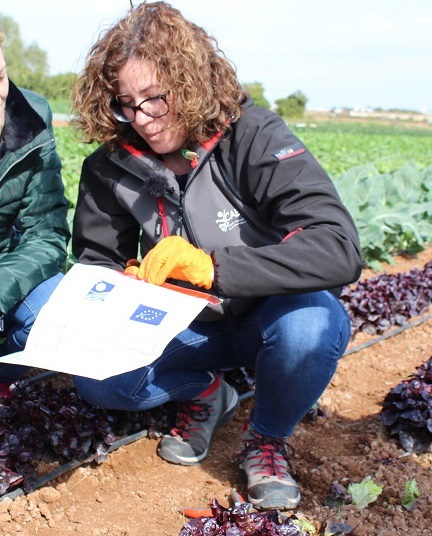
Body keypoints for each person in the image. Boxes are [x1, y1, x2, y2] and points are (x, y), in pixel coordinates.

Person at [70, 1, 362, 511]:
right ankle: (207, 394)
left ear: (190, 81)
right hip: (180, 325)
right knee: (95, 377)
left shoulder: (253, 136)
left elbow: (337, 246)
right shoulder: (109, 167)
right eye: (127, 104)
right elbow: (97, 260)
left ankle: (267, 439)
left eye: (156, 99)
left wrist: (214, 267)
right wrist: (121, 283)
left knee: (314, 322)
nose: (143, 119)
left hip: (265, 320)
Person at [0, 30, 70, 389]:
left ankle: (2, 377)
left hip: (4, 262)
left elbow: (46, 232)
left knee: (53, 312)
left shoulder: (30, 119)